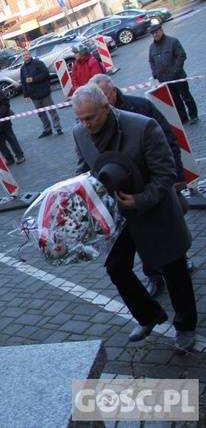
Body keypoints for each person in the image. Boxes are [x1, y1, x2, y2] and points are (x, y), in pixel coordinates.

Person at [71, 84, 197, 354]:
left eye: (90, 118)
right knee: (116, 267)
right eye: (79, 119)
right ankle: (149, 315)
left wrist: (140, 199)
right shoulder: (79, 132)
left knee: (174, 271)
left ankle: (185, 327)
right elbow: (84, 170)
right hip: (119, 215)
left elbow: (166, 175)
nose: (85, 124)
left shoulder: (142, 127)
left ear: (107, 107)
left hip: (155, 211)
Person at [89, 73, 192, 298]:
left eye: (104, 96)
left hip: (154, 193)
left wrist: (179, 176)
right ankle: (154, 280)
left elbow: (169, 141)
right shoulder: (89, 126)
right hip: (125, 206)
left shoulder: (141, 110)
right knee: (127, 258)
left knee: (170, 251)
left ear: (113, 93)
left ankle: (179, 264)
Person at [148, 23, 198, 124]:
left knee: (186, 96)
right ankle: (183, 117)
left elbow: (181, 55)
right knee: (175, 100)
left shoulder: (173, 41)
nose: (155, 35)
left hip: (178, 77)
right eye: (153, 34)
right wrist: (155, 73)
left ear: (161, 31)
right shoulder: (152, 47)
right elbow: (151, 61)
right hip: (164, 80)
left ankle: (193, 115)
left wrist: (176, 70)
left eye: (156, 32)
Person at [19, 49, 63, 138]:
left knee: (52, 111)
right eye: (24, 55)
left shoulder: (38, 63)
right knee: (41, 114)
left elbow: (46, 74)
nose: (26, 56)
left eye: (27, 54)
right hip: (34, 95)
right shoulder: (23, 69)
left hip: (44, 92)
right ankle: (47, 129)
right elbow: (23, 83)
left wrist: (34, 79)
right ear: (22, 57)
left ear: (29, 54)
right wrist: (26, 95)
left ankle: (58, 128)